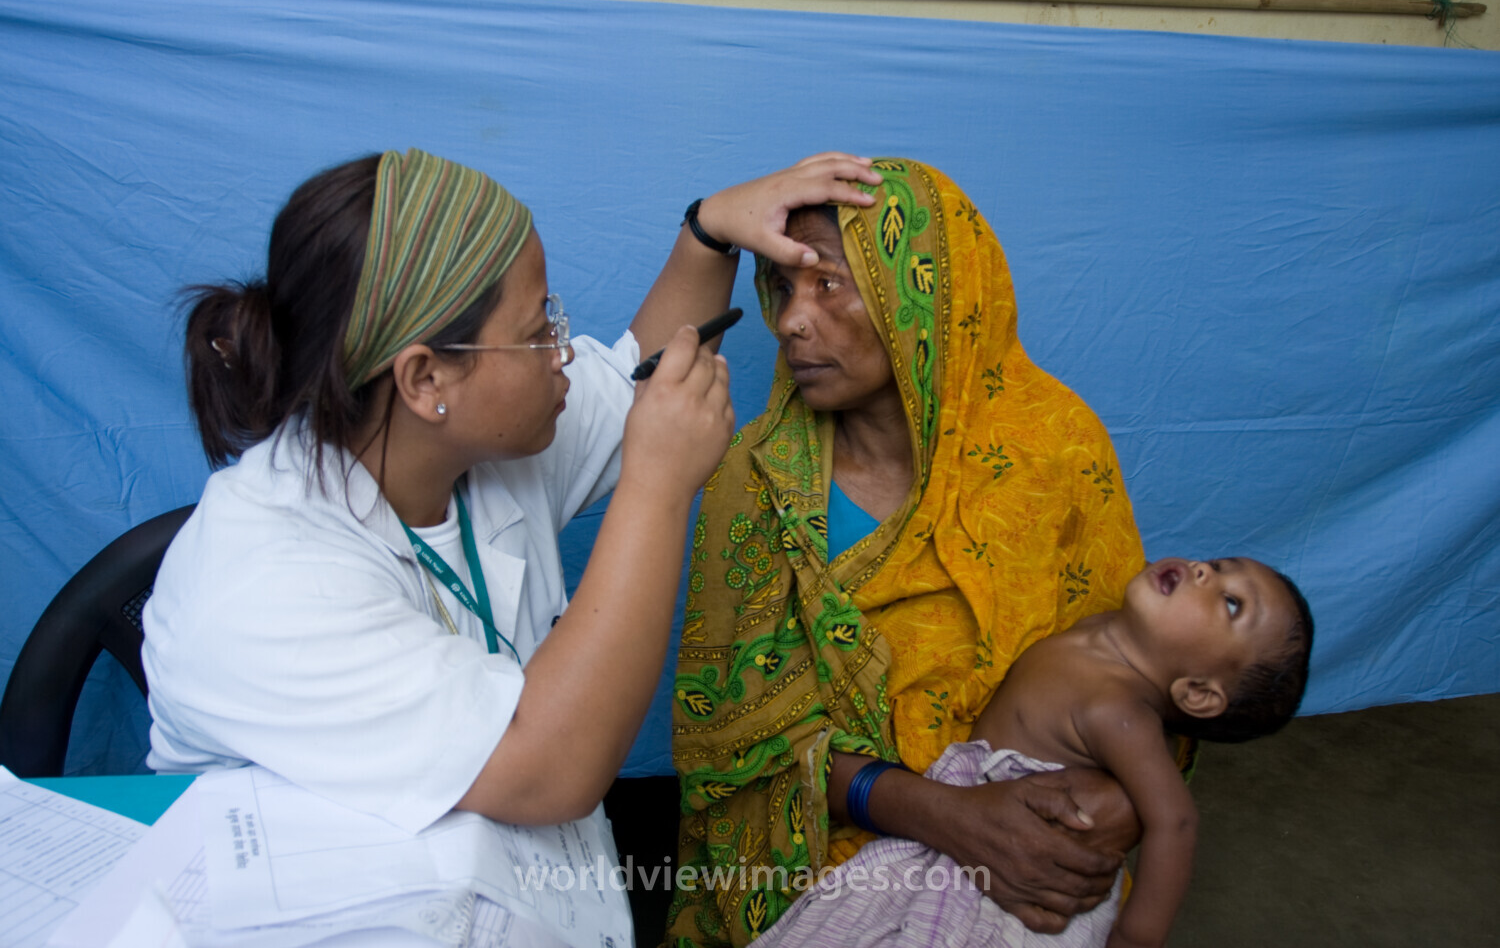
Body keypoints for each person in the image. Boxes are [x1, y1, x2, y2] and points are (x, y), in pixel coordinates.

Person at [142, 148, 884, 836]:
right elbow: (549, 771)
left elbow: (637, 380)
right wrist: (657, 487)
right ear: (425, 378)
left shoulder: (468, 446)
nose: (563, 353)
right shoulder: (260, 589)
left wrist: (709, 231)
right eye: (537, 332)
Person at [670, 159, 1152, 947]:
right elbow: (735, 742)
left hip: (1036, 822)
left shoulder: (1056, 452)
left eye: (829, 284)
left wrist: (1115, 801)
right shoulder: (758, 478)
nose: (792, 321)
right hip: (832, 847)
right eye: (783, 288)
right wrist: (948, 815)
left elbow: (1137, 667)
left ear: (925, 295)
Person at [747, 555, 1315, 948]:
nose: (1205, 572)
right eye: (1218, 564)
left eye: (1232, 604)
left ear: (1198, 693)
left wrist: (1135, 936)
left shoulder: (1119, 712)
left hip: (1004, 881)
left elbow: (1175, 820)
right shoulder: (1103, 628)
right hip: (960, 817)